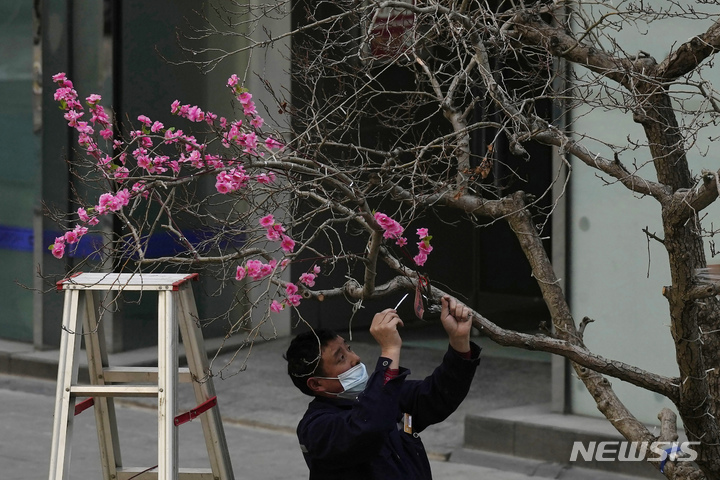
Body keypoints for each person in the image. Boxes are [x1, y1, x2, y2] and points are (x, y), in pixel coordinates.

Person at [284, 295, 481, 479]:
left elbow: (438, 396)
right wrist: (390, 351)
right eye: (341, 358)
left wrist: (459, 342)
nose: (355, 358)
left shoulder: (384, 395)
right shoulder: (316, 428)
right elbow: (368, 427)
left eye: (349, 348)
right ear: (317, 383)